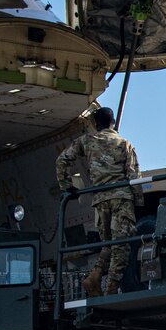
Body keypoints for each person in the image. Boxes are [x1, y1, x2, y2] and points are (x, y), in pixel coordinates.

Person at [56, 106, 140, 298]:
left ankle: (94, 277)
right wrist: (138, 200)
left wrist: (67, 186)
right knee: (122, 243)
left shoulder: (86, 141)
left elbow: (62, 160)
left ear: (95, 123)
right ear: (113, 122)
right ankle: (112, 288)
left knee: (108, 244)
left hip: (100, 199)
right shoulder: (124, 143)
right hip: (121, 198)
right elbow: (134, 175)